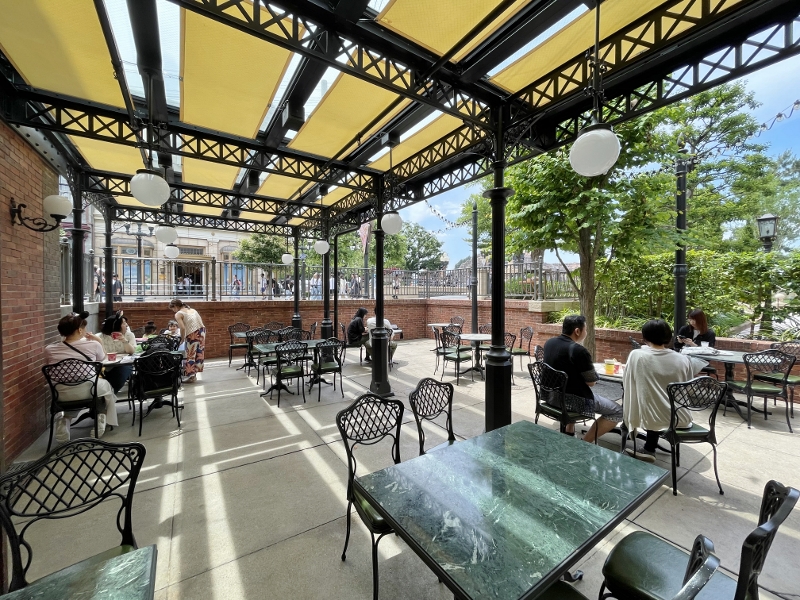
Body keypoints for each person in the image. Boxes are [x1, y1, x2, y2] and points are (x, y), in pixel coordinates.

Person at [624, 319, 702, 463]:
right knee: (661, 402)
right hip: (682, 418)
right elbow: (690, 389)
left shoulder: (637, 355)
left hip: (652, 418)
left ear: (645, 336)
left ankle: (648, 448)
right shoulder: (683, 359)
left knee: (653, 403)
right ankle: (649, 448)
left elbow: (628, 381)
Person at [542, 315, 623, 443]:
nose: (586, 332)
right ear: (577, 331)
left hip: (549, 396)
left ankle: (569, 431)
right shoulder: (579, 351)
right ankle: (584, 442)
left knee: (572, 386)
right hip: (573, 401)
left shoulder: (549, 343)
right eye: (586, 329)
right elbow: (591, 382)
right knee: (617, 411)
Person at [44, 312, 119, 442]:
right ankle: (102, 416)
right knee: (106, 389)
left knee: (80, 390)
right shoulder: (93, 345)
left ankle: (64, 420)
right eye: (84, 328)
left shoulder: (49, 349)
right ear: (79, 330)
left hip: (60, 393)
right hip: (88, 390)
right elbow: (102, 359)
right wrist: (99, 341)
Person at [97, 312, 135, 393]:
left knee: (120, 372)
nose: (127, 325)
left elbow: (131, 352)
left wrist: (124, 341)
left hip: (123, 364)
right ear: (116, 326)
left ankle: (108, 396)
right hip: (105, 365)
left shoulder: (129, 335)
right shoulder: (100, 337)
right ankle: (106, 396)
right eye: (124, 323)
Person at [170, 298, 206, 383]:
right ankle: (195, 374)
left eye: (173, 309)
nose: (174, 311)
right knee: (199, 353)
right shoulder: (192, 310)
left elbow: (182, 328)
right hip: (202, 331)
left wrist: (182, 338)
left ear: (175, 306)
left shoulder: (178, 314)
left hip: (192, 334)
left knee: (190, 354)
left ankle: (191, 376)